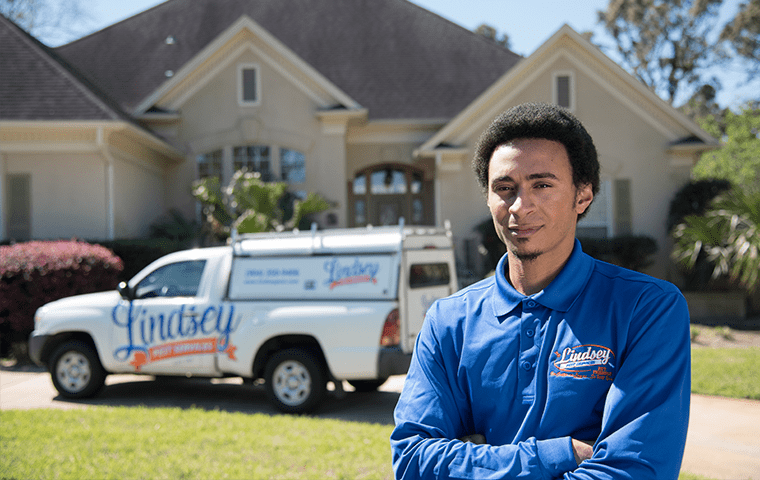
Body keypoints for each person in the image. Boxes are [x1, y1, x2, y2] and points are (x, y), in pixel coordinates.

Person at [391, 102, 691, 479]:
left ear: (583, 196)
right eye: (505, 188)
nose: (520, 206)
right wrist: (558, 454)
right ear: (489, 199)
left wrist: (477, 458)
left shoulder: (647, 309)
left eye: (542, 185)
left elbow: (633, 470)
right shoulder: (448, 321)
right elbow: (414, 460)